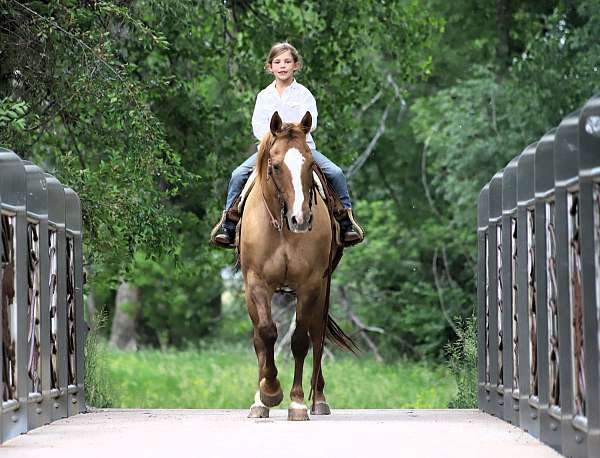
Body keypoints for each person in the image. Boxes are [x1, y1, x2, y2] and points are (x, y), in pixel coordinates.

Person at [212, 42, 363, 248]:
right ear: (270, 67)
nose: (282, 66)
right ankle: (229, 222)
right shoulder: (264, 96)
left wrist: (291, 130)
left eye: (287, 62)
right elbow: (257, 126)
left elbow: (312, 121)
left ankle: (345, 220)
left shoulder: (303, 94)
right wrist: (276, 137)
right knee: (238, 174)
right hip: (272, 151)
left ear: (295, 66)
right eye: (277, 62)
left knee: (335, 173)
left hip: (301, 148)